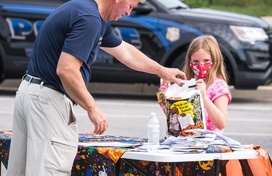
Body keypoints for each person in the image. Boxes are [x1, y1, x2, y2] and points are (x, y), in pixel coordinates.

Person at [7, 0, 186, 175]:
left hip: (30, 92)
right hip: (48, 100)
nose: (128, 13)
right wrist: (92, 108)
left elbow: (125, 52)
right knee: (49, 168)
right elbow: (67, 70)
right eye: (130, 6)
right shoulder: (89, 19)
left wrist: (162, 71)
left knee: (20, 170)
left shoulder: (88, 12)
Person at [183, 35, 232, 134]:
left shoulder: (218, 86)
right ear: (190, 62)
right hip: (188, 143)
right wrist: (166, 105)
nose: (201, 65)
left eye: (206, 61)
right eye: (196, 61)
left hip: (210, 144)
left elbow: (221, 123)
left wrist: (204, 97)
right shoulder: (187, 84)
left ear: (215, 61)